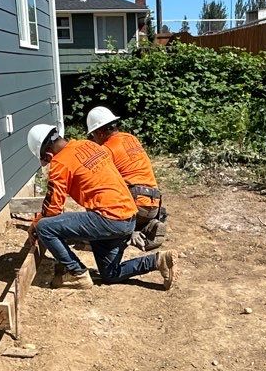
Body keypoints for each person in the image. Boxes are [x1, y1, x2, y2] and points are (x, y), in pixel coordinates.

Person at [25, 123, 177, 290]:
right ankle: (158, 260)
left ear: (48, 154)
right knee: (110, 273)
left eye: (46, 160)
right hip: (128, 217)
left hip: (108, 218)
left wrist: (35, 223)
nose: (48, 163)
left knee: (45, 227)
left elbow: (52, 208)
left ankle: (77, 273)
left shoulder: (60, 163)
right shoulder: (89, 145)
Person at [85, 106, 167, 250]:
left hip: (135, 204)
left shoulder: (106, 150)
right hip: (154, 203)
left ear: (99, 132)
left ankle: (127, 233)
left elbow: (103, 184)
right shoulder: (131, 138)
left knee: (97, 197)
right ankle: (147, 226)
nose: (94, 139)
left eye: (93, 135)